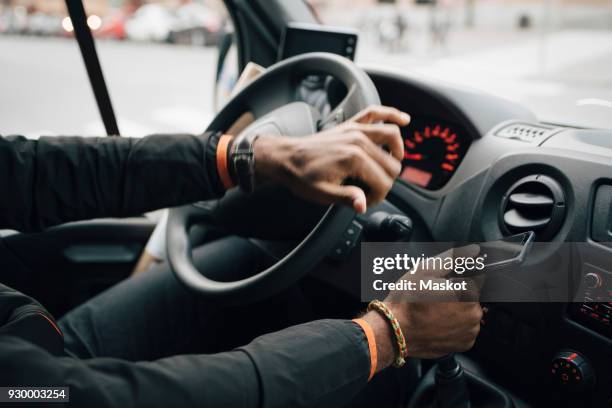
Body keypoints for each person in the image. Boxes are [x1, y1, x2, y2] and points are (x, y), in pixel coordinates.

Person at [0, 106, 483, 407]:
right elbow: (106, 398)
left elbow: (31, 173)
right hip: (38, 389)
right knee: (382, 387)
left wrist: (252, 157)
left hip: (34, 347)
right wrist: (387, 334)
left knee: (236, 260)